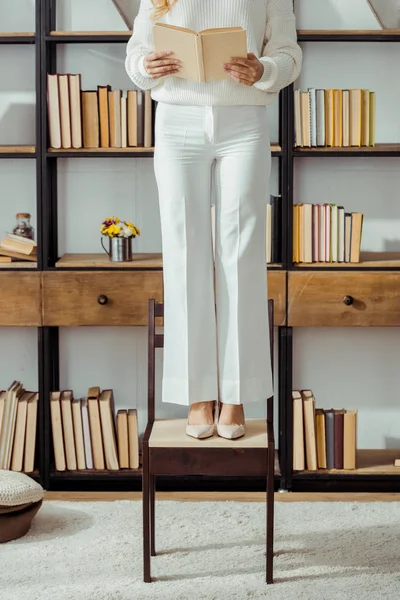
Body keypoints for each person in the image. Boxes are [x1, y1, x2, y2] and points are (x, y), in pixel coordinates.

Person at [126, 0, 302, 440]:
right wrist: (148, 64)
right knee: (184, 252)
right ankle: (197, 394)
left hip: (245, 121)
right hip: (176, 120)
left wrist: (262, 69)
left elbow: (289, 55)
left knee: (241, 254)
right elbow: (135, 59)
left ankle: (237, 395)